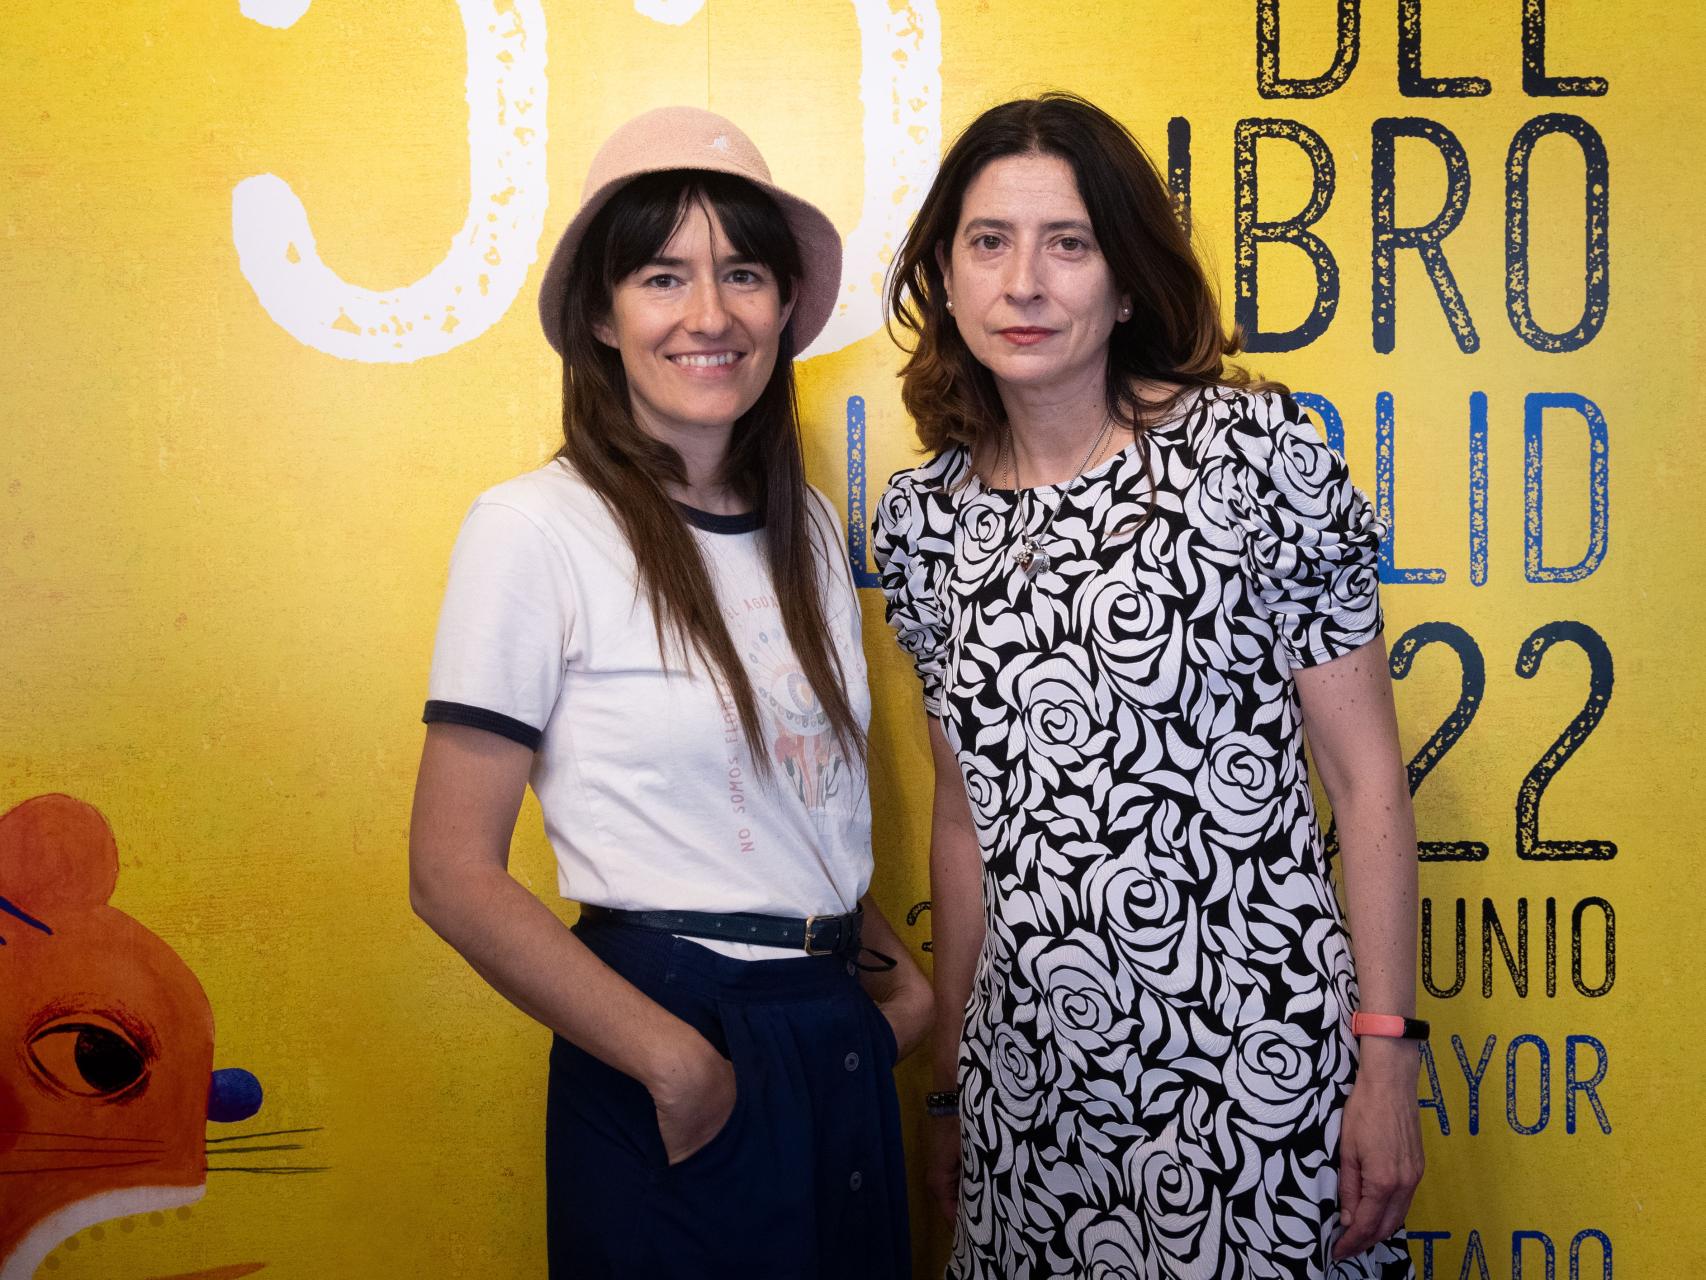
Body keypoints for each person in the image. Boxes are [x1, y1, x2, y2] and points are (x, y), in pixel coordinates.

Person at [872, 93, 1423, 1278]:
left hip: (1259, 1085)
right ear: (944, 274)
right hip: (1029, 1102)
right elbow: (963, 827)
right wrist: (950, 1092)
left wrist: (1386, 1055)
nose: (1023, 282)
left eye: (1066, 243)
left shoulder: (1258, 456)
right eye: (987, 241)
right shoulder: (921, 524)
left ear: (1124, 282)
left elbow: (1365, 776)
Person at [409, 106, 930, 1280]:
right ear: (602, 313)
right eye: (661, 276)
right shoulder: (534, 528)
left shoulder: (807, 526)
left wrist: (896, 990)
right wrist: (675, 1061)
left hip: (825, 1034)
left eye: (742, 273)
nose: (710, 314)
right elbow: (447, 869)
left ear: (784, 306)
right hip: (670, 1030)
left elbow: (783, 814)